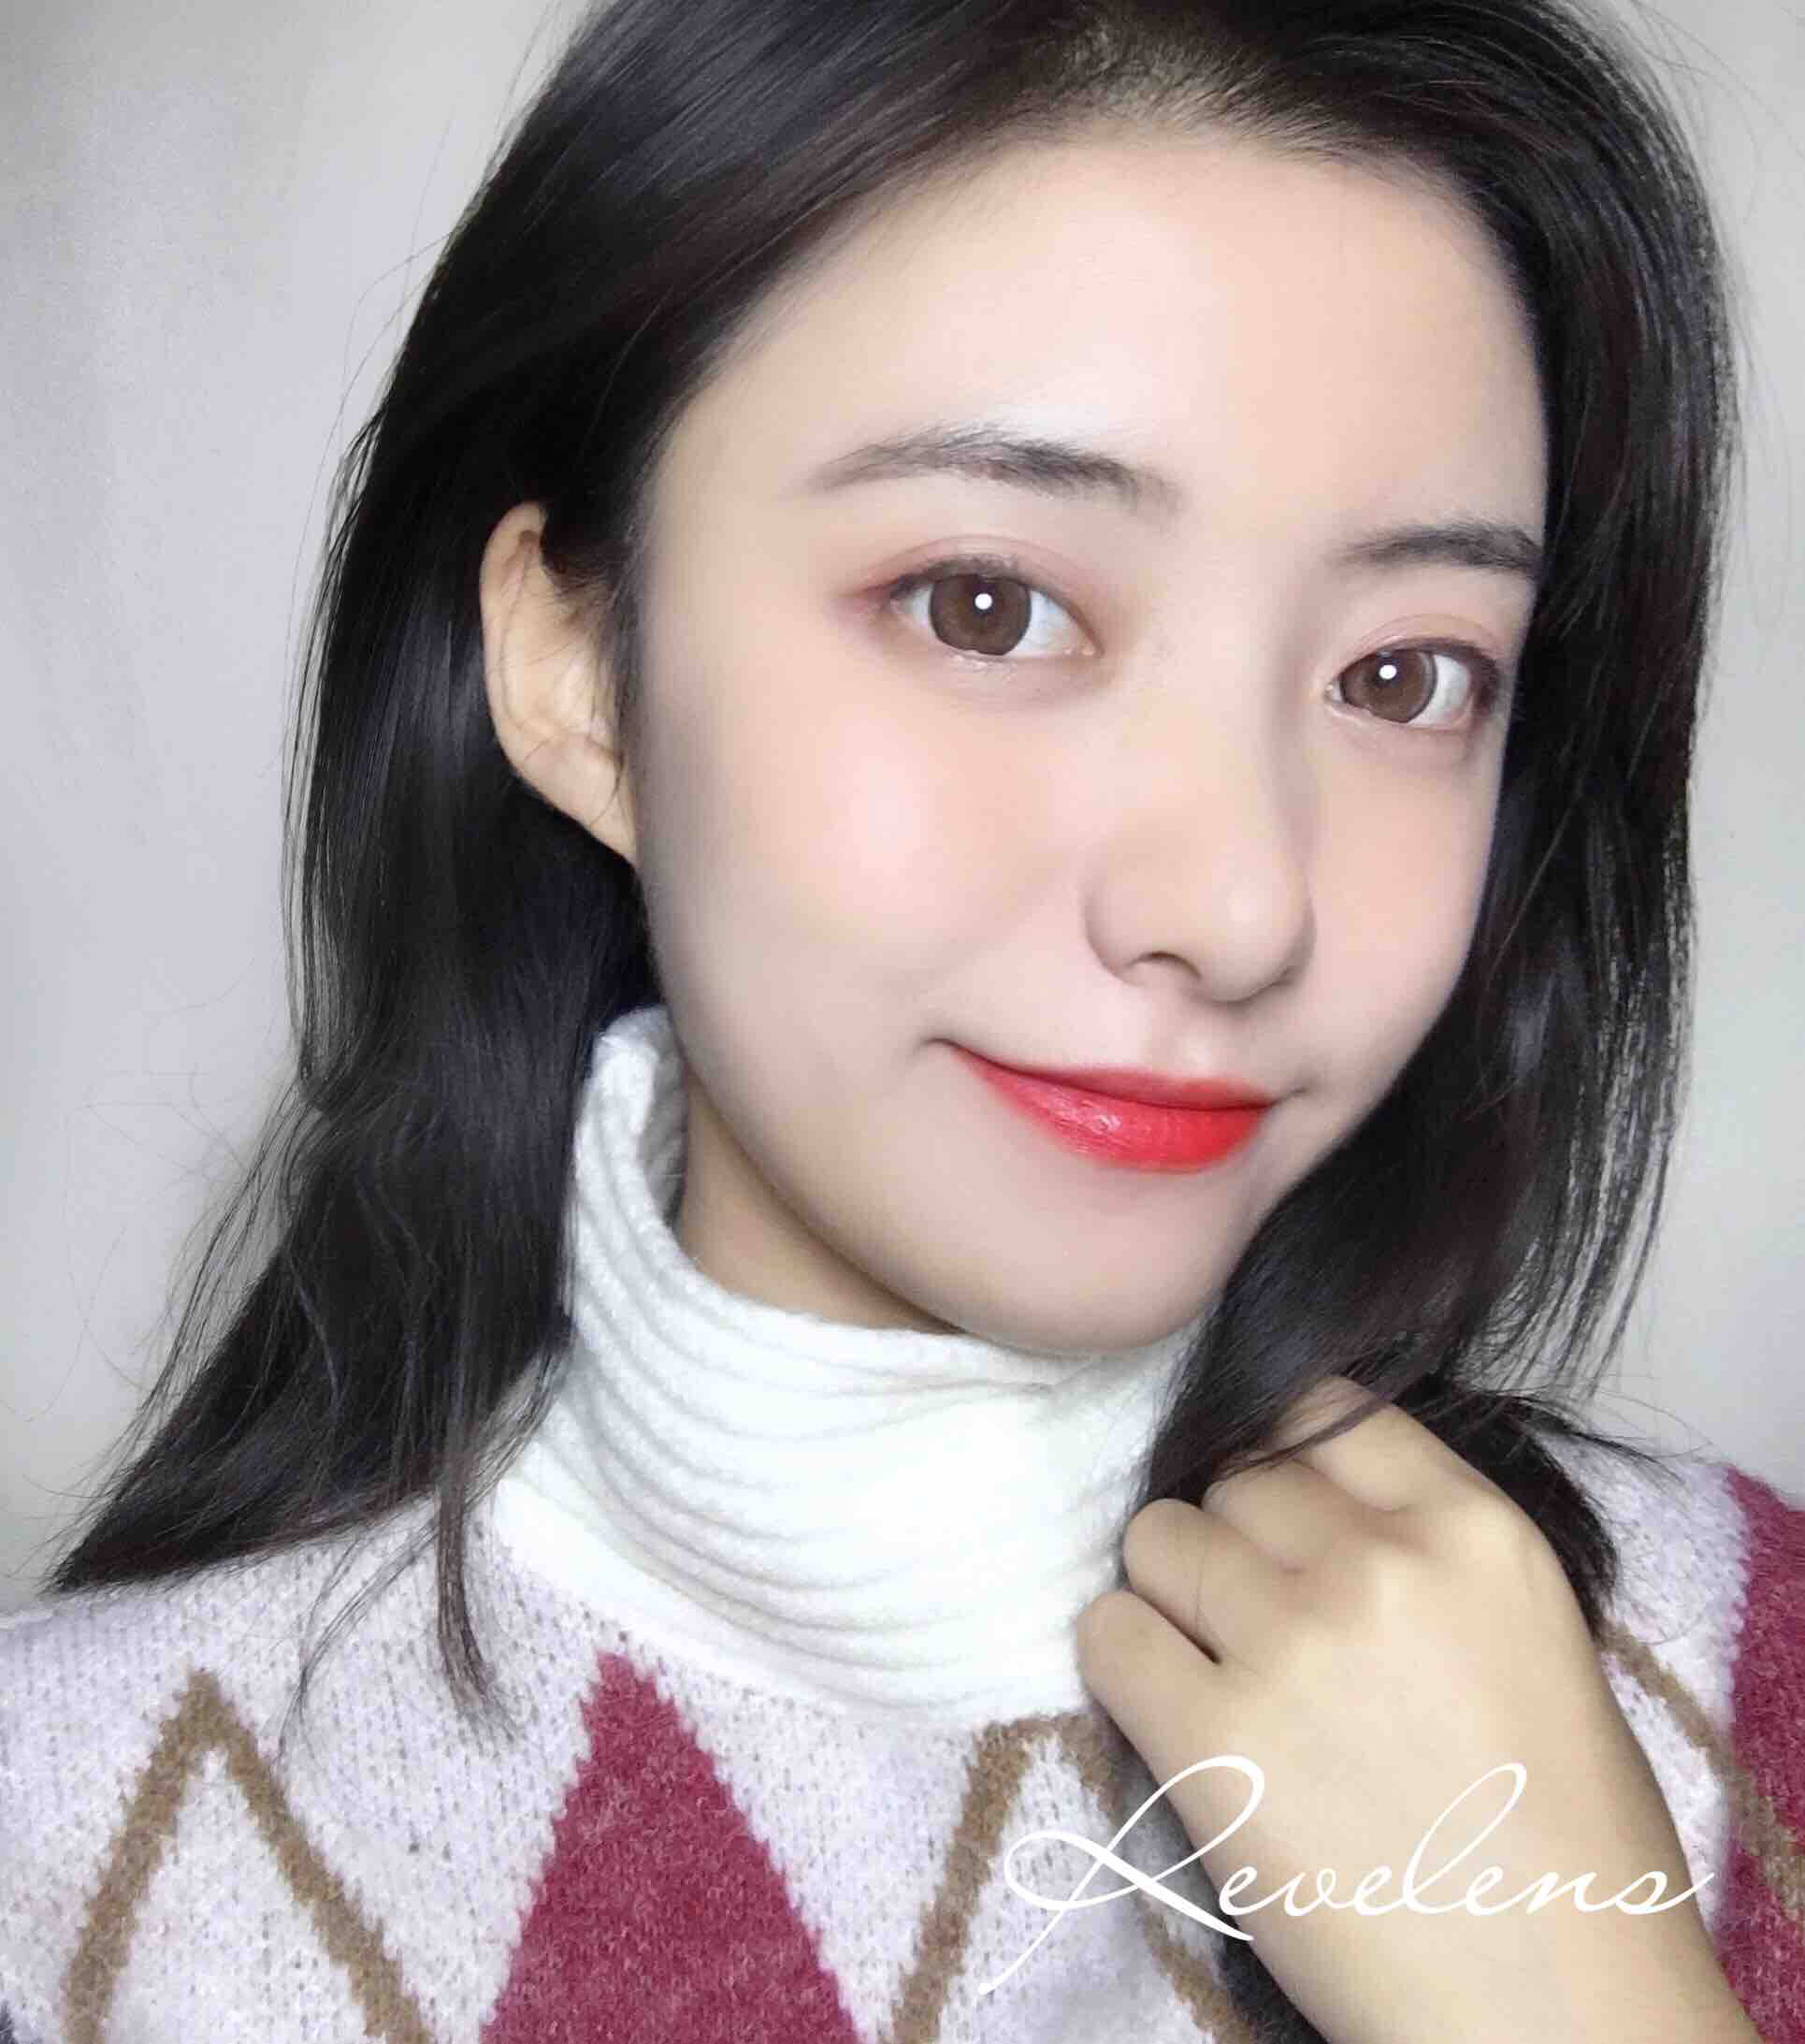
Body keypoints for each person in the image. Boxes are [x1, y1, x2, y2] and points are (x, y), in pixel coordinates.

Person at [1, 0, 1799, 2038]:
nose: (1235, 905)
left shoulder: (1740, 1678)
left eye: (1402, 678)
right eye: (984, 607)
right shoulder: (73, 1862)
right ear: (577, 669)